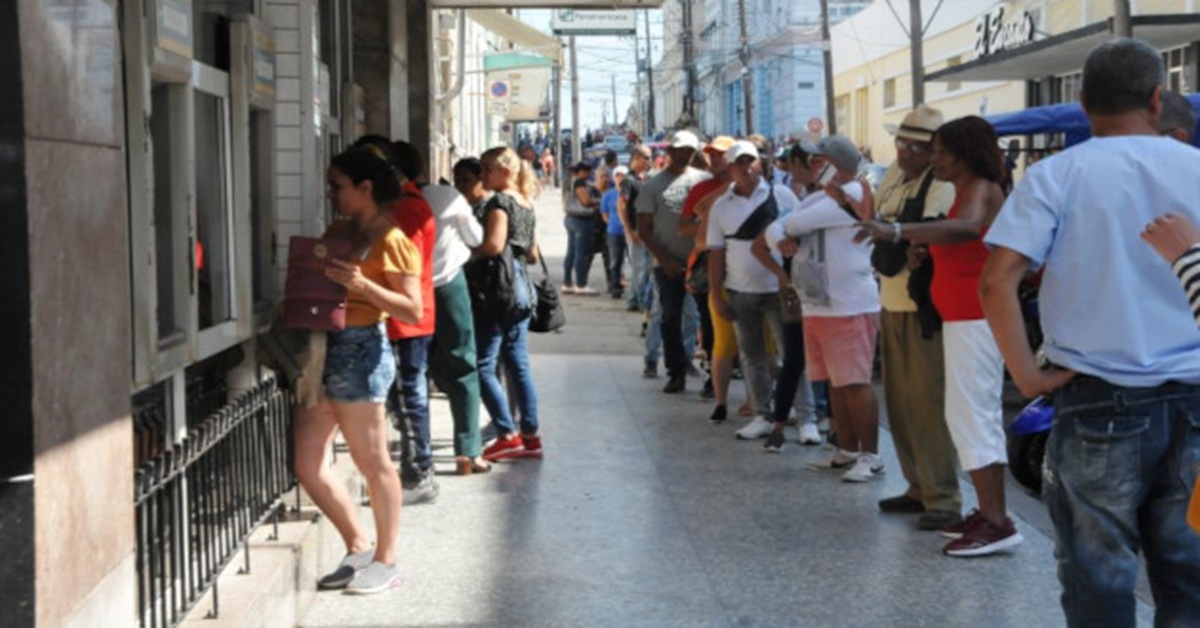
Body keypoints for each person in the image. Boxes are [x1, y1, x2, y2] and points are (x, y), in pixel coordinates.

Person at [981, 39, 1200, 625]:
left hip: (1096, 397)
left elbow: (996, 281)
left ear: (1082, 103)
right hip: (1195, 399)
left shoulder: (1056, 176)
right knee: (1191, 574)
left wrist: (1028, 376)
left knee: (1097, 576)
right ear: (1156, 99)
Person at [860, 116, 1017, 555]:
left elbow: (967, 227)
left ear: (964, 155)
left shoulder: (979, 186)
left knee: (976, 419)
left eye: (942, 152)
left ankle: (998, 521)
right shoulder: (968, 188)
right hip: (961, 317)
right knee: (965, 417)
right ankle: (987, 513)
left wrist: (897, 231)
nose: (935, 160)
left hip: (975, 317)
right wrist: (926, 250)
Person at [293, 146, 422, 594]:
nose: (331, 194)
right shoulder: (340, 230)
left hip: (362, 348)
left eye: (337, 185)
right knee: (307, 462)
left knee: (372, 461)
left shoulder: (393, 240)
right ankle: (358, 546)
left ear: (365, 188)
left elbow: (413, 308)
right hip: (325, 346)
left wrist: (363, 285)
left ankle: (386, 560)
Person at [865, 105, 963, 531]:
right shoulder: (894, 174)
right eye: (901, 144)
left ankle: (943, 497)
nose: (904, 152)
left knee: (927, 404)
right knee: (900, 404)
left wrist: (896, 232)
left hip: (922, 307)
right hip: (890, 299)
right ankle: (917, 486)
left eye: (915, 147)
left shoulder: (941, 184)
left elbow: (927, 231)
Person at [765, 136, 882, 483]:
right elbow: (774, 228)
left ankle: (871, 455)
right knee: (836, 382)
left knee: (855, 382)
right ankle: (847, 449)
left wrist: (785, 230)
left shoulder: (853, 193)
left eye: (819, 161)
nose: (813, 167)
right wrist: (780, 235)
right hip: (819, 305)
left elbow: (793, 224)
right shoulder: (821, 196)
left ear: (836, 164)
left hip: (849, 305)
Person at [470, 147, 543, 462]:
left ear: (506, 172)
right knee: (518, 363)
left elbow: (493, 246)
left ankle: (506, 432)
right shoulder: (526, 203)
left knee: (482, 365)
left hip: (498, 290)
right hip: (522, 290)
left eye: (487, 169)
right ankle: (530, 436)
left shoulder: (499, 203)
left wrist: (468, 247)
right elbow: (533, 255)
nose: (482, 175)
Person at [419, 156, 490, 477]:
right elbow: (476, 238)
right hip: (449, 286)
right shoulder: (446, 197)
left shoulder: (388, 201)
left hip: (406, 288)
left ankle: (417, 452)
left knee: (413, 369)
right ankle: (468, 451)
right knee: (463, 365)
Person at [636, 130, 712, 393]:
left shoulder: (704, 181)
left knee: (705, 318)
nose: (684, 155)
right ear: (669, 151)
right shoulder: (652, 186)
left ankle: (711, 373)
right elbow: (644, 228)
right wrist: (664, 260)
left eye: (689, 151)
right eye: (679, 150)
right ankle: (675, 370)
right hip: (667, 264)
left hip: (701, 263)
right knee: (670, 317)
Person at [620, 144, 654, 313]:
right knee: (640, 268)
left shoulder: (648, 179)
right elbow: (622, 206)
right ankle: (642, 303)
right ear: (636, 158)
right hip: (635, 230)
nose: (650, 161)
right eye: (646, 157)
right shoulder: (629, 180)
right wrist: (629, 231)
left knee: (644, 268)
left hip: (648, 230)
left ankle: (633, 299)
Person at [563, 162, 600, 295]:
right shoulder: (579, 183)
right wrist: (597, 202)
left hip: (570, 217)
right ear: (581, 172)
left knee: (571, 252)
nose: (588, 175)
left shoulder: (568, 182)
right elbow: (585, 201)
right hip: (581, 219)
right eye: (587, 172)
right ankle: (581, 283)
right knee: (581, 253)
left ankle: (567, 282)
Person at [601, 166, 630, 299]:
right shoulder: (608, 195)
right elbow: (605, 215)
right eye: (617, 175)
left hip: (630, 231)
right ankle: (615, 286)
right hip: (614, 231)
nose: (620, 178)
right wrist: (615, 223)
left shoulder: (632, 192)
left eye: (622, 175)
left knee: (633, 261)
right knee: (615, 261)